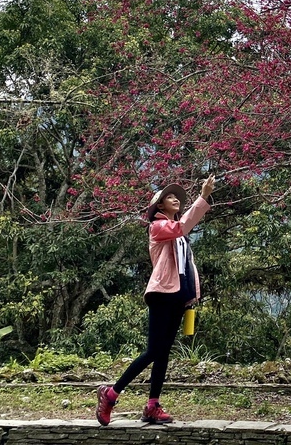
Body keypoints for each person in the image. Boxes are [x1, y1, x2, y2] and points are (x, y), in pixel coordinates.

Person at [96, 175, 215, 425]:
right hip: (162, 294)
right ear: (159, 207)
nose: (175, 199)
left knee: (163, 353)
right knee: (154, 350)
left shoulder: (180, 236)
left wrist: (191, 296)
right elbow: (182, 225)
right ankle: (111, 394)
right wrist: (203, 197)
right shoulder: (158, 227)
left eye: (176, 197)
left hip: (178, 295)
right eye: (169, 197)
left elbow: (185, 264)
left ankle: (152, 405)